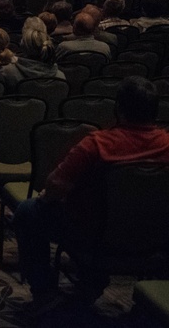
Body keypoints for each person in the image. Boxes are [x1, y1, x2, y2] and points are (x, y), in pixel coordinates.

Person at [13, 76, 169, 308]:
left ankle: (44, 290)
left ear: (119, 109)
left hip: (92, 235)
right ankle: (93, 282)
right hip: (153, 237)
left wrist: (51, 195)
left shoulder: (96, 144)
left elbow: (55, 187)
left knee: (28, 210)